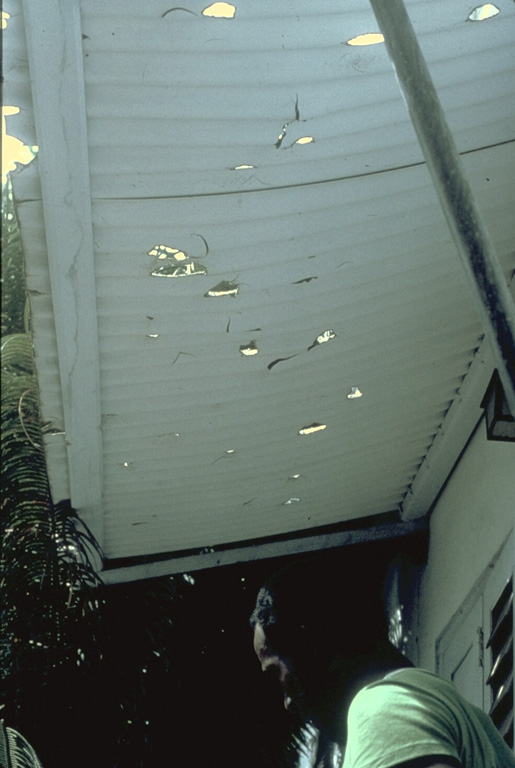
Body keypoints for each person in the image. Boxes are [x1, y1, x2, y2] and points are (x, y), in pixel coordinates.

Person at [250, 556, 515, 768]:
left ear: (314, 648)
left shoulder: (383, 708)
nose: (288, 703)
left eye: (277, 671)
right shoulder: (434, 701)